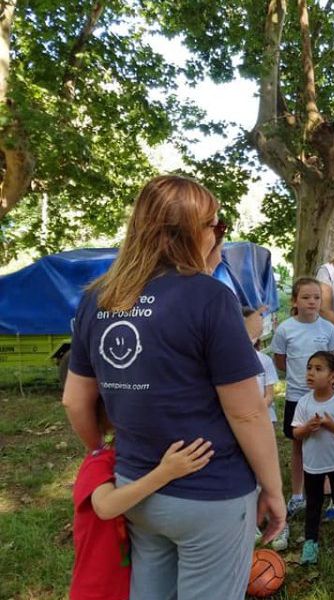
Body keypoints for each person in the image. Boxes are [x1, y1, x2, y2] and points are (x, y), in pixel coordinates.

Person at [62, 175, 285, 600]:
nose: (219, 237)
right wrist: (273, 490)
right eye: (214, 227)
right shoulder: (210, 298)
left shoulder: (99, 297)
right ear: (187, 233)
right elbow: (247, 411)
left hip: (136, 486)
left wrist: (100, 452)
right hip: (211, 492)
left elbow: (75, 401)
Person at [70, 399, 214, 600]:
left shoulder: (127, 462)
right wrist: (165, 473)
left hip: (125, 582)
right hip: (99, 588)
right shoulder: (98, 461)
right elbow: (105, 506)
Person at [271, 277, 334, 518]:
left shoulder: (328, 329)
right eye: (306, 297)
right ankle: (298, 495)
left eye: (317, 298)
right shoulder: (285, 329)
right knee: (299, 444)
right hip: (297, 396)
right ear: (294, 301)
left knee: (328, 443)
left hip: (325, 398)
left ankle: (329, 495)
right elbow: (280, 360)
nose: (312, 302)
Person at [291, 351, 334, 564]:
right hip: (313, 466)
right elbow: (296, 433)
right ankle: (310, 542)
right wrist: (307, 428)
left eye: (318, 369)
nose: (311, 372)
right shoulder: (304, 402)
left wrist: (331, 425)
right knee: (313, 504)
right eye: (309, 368)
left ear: (333, 377)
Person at [242, 306, 289, 551]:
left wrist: (254, 413)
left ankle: (279, 524)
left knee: (266, 473)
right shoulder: (223, 362)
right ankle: (250, 525)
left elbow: (270, 393)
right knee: (246, 475)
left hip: (262, 423)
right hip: (239, 426)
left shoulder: (263, 361)